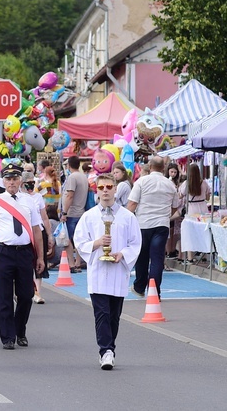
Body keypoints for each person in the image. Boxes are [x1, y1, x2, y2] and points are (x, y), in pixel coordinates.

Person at [74, 173, 142, 370]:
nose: (105, 191)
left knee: (113, 315)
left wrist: (123, 254)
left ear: (115, 189)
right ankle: (106, 351)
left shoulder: (127, 217)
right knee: (101, 313)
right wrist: (96, 244)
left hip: (117, 272)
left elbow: (135, 242)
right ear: (97, 190)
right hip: (98, 272)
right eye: (101, 187)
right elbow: (80, 241)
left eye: (109, 187)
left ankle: (110, 346)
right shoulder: (89, 216)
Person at [0, 163, 44, 350]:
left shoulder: (29, 201)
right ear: (4, 180)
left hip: (25, 252)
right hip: (4, 252)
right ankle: (7, 336)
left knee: (26, 295)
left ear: (20, 180)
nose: (11, 182)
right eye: (8, 178)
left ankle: (20, 330)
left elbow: (36, 230)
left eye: (15, 178)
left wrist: (40, 257)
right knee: (4, 296)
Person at [127, 156, 180, 298]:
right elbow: (175, 207)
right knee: (157, 258)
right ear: (164, 168)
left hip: (143, 223)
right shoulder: (170, 185)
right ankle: (155, 290)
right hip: (162, 224)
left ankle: (139, 286)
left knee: (142, 256)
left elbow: (132, 204)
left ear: (150, 167)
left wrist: (125, 219)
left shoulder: (141, 182)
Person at [21, 172, 55, 304]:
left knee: (39, 261)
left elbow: (44, 217)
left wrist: (49, 234)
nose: (30, 185)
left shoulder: (38, 198)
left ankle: (37, 293)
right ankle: (25, 290)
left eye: (32, 182)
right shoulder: (18, 197)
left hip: (38, 231)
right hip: (25, 232)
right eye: (28, 182)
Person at [59, 156, 88, 273]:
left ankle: (72, 264)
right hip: (81, 211)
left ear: (69, 165)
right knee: (78, 239)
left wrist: (64, 212)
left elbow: (70, 195)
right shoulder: (83, 177)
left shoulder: (72, 177)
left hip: (71, 212)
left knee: (67, 240)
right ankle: (77, 262)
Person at [178, 164, 211, 263]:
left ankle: (190, 257)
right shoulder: (204, 183)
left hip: (191, 209)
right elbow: (208, 198)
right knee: (203, 232)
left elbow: (180, 196)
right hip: (202, 209)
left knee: (190, 233)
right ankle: (204, 256)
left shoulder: (186, 183)